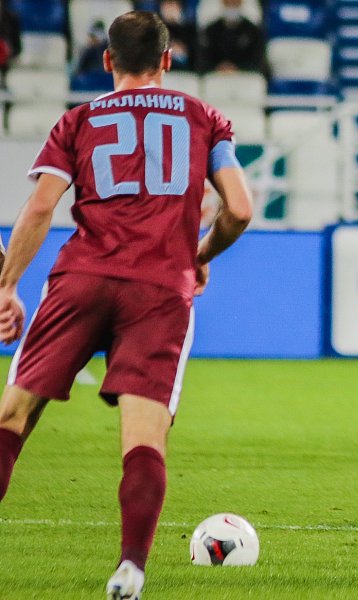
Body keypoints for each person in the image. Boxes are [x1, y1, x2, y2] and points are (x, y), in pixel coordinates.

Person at [0, 11, 252, 599]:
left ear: (107, 60)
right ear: (168, 59)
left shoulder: (77, 120)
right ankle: (130, 570)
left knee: (12, 417)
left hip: (80, 279)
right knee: (143, 435)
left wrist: (7, 286)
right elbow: (240, 208)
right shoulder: (203, 117)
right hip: (160, 289)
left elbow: (41, 207)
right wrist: (199, 253)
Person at [201, 0, 267, 75]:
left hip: (244, 76)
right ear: (222, 2)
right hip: (216, 76)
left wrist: (237, 68)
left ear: (241, 2)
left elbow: (258, 62)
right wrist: (218, 68)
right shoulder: (210, 31)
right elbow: (203, 60)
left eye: (235, 2)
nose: (231, 6)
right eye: (228, 2)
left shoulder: (253, 31)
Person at [160, 0, 197, 71]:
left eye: (173, 5)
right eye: (167, 5)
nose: (170, 9)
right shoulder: (155, 30)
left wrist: (178, 23)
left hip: (187, 72)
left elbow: (196, 56)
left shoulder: (190, 30)